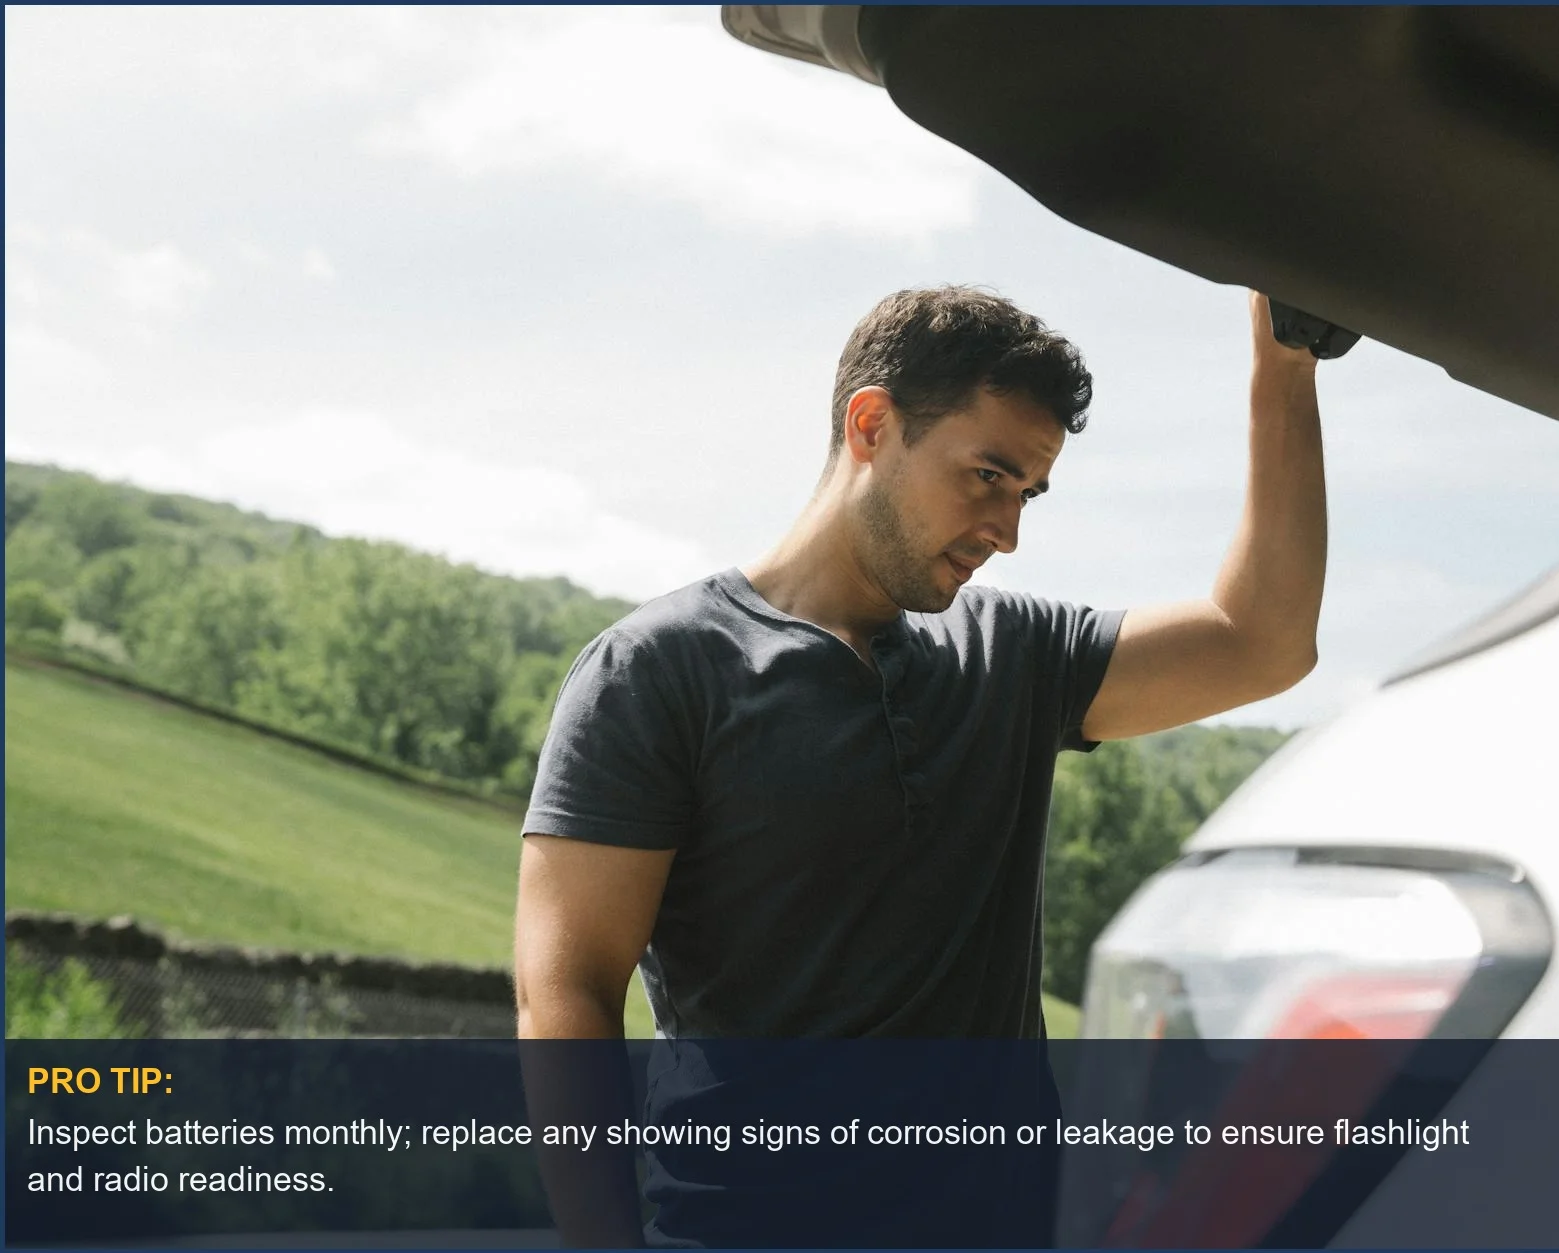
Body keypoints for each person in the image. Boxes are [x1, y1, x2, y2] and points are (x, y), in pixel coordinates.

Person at [512, 285, 1326, 1245]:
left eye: (1027, 492)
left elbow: (1262, 639)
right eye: (988, 474)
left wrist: (1286, 366)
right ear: (871, 425)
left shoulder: (1019, 654)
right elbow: (566, 990)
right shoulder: (657, 671)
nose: (1008, 528)